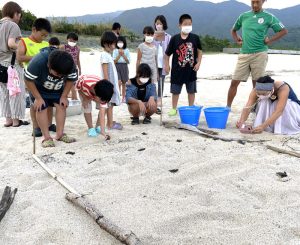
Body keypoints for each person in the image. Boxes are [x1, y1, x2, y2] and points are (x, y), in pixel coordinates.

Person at [226, 0, 288, 108]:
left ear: (263, 1)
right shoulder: (243, 16)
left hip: (260, 54)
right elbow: (233, 29)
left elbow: (283, 31)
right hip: (244, 54)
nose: (255, 5)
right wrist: (237, 39)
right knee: (234, 82)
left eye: (257, 2)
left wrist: (270, 40)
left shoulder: (269, 16)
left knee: (257, 86)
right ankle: (227, 107)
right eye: (252, 2)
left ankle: (255, 109)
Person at [24, 49, 78, 147]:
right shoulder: (38, 62)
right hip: (39, 89)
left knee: (62, 105)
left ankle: (60, 134)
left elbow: (71, 79)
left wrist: (64, 96)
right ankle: (46, 137)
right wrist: (38, 98)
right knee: (41, 107)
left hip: (57, 89)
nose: (60, 76)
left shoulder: (69, 64)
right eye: (58, 74)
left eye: (62, 75)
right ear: (49, 65)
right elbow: (28, 80)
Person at [17, 18, 53, 136]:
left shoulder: (46, 44)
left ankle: (48, 124)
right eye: (42, 34)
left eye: (45, 36)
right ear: (34, 30)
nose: (43, 38)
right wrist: (38, 58)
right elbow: (20, 57)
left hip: (46, 78)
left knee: (48, 103)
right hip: (32, 79)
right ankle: (36, 127)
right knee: (35, 104)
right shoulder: (24, 41)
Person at [165, 14, 202, 116]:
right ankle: (173, 109)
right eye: (185, 24)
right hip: (177, 71)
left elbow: (199, 51)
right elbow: (167, 54)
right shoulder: (175, 39)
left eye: (189, 24)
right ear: (180, 25)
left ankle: (191, 107)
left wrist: (198, 63)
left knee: (191, 91)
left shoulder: (195, 38)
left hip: (191, 70)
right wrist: (167, 65)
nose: (188, 26)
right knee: (175, 92)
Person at [0, 1, 28, 127]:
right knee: (16, 91)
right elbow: (11, 43)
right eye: (19, 14)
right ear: (15, 13)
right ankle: (16, 120)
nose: (19, 17)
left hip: (0, 64)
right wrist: (23, 46)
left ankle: (8, 120)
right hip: (12, 65)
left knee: (5, 93)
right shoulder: (13, 25)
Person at [76, 75, 114, 139]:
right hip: (84, 91)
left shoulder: (103, 94)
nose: (103, 102)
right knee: (87, 107)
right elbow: (78, 88)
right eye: (102, 101)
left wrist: (103, 131)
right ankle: (90, 128)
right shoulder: (84, 83)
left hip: (97, 91)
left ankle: (98, 127)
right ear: (95, 96)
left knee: (104, 108)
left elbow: (102, 112)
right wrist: (85, 98)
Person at [99, 31, 122, 134]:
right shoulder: (104, 55)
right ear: (105, 43)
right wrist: (108, 85)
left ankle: (109, 122)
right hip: (108, 85)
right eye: (112, 44)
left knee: (110, 104)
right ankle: (109, 124)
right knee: (108, 105)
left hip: (111, 84)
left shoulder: (108, 55)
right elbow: (105, 72)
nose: (114, 46)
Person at [153, 15, 172, 114]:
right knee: (153, 84)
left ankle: (159, 104)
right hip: (154, 65)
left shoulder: (168, 37)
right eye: (157, 24)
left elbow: (169, 52)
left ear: (164, 24)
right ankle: (152, 104)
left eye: (160, 23)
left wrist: (167, 65)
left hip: (163, 64)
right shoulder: (153, 36)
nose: (159, 25)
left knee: (161, 83)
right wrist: (154, 38)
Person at [61, 32, 81, 100]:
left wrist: (80, 69)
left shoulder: (78, 48)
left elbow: (78, 59)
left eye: (74, 41)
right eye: (70, 40)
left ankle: (74, 99)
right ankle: (65, 99)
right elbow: (59, 58)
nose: (72, 42)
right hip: (64, 69)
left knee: (73, 85)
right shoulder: (63, 47)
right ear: (67, 39)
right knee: (65, 85)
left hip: (73, 69)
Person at [112, 36, 130, 103]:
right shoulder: (115, 50)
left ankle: (123, 97)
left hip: (124, 66)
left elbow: (128, 61)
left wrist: (123, 55)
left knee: (124, 83)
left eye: (121, 42)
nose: (120, 43)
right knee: (118, 81)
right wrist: (119, 55)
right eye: (119, 42)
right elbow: (114, 61)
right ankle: (118, 96)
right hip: (117, 66)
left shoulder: (127, 50)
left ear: (124, 42)